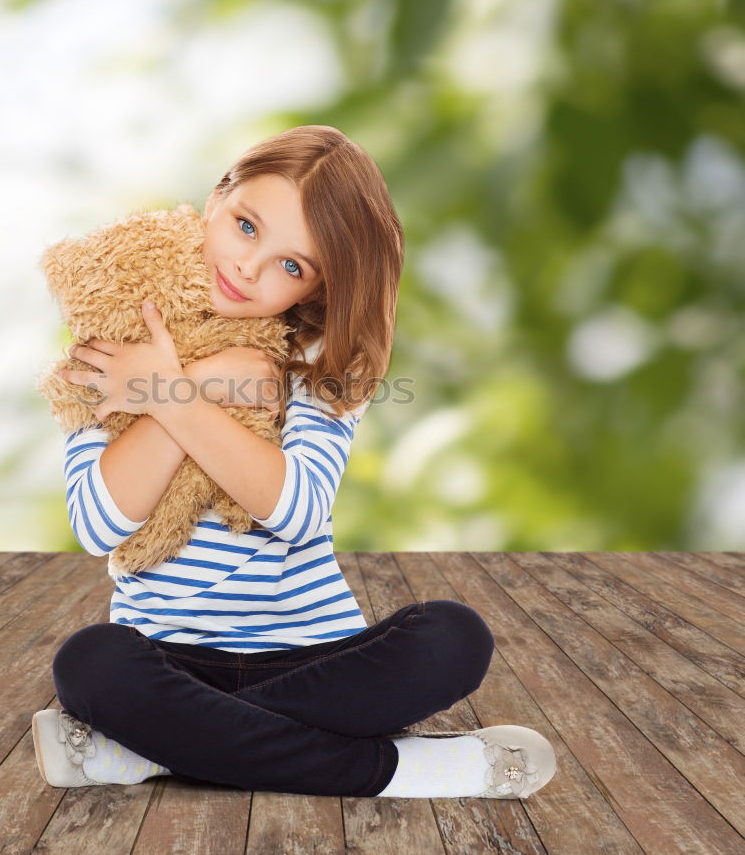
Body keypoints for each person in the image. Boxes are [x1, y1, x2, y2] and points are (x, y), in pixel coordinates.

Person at [31, 125, 556, 799]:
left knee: (455, 637)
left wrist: (175, 395)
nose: (250, 266)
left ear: (313, 290)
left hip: (316, 659)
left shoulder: (318, 375)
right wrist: (183, 382)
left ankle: (155, 753)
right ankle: (393, 769)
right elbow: (101, 526)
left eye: (291, 265)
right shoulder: (111, 346)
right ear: (217, 198)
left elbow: (297, 510)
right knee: (89, 662)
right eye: (247, 226)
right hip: (168, 661)